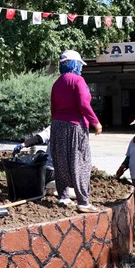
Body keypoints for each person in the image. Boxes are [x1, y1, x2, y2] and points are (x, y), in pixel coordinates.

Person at [50, 49, 103, 213]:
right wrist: (96, 122)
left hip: (57, 125)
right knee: (79, 161)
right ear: (75, 64)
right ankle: (83, 201)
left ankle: (64, 197)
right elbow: (83, 104)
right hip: (75, 126)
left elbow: (53, 108)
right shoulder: (78, 80)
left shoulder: (57, 82)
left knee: (61, 160)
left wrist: (57, 123)